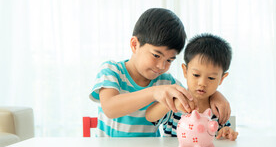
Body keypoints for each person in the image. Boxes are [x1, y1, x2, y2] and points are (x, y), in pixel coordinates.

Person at [89, 8, 230, 137]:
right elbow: (110, 108)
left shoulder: (167, 83)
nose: (161, 66)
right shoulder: (111, 71)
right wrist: (154, 92)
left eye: (169, 60)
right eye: (156, 55)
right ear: (134, 45)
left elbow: (191, 93)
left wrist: (216, 95)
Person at [146, 33, 239, 141]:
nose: (202, 83)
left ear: (222, 78)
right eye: (196, 75)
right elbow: (150, 117)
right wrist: (172, 104)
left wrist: (226, 132)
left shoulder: (218, 109)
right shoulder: (177, 100)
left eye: (211, 78)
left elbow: (224, 134)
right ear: (185, 71)